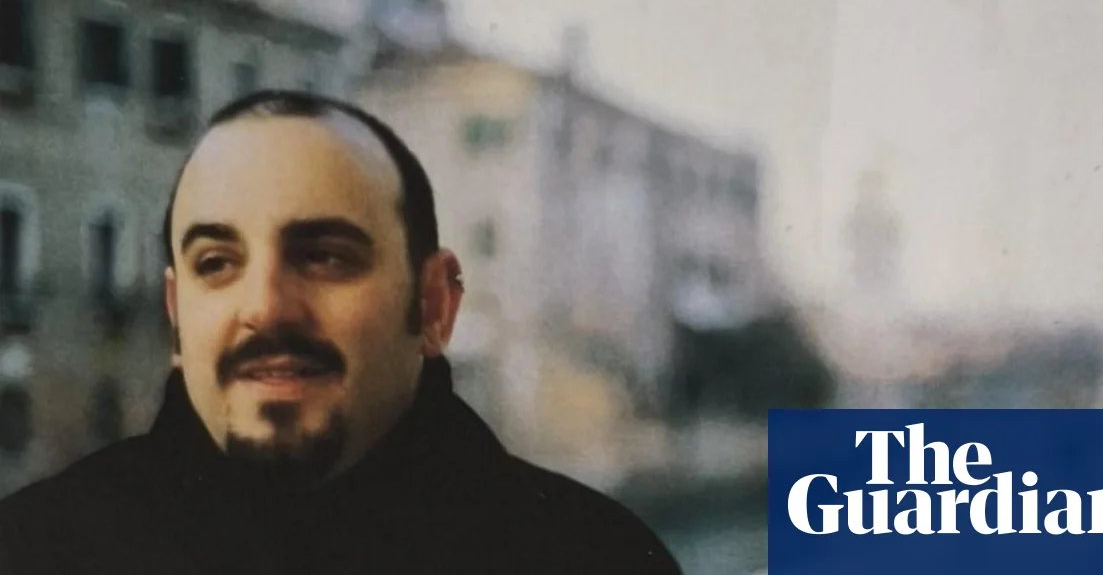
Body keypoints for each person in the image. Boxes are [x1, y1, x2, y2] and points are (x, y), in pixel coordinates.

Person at [0, 91, 680, 574]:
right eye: (217, 263)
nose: (266, 308)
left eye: (324, 257)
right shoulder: (33, 552)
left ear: (434, 305)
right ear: (177, 315)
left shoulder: (595, 559)